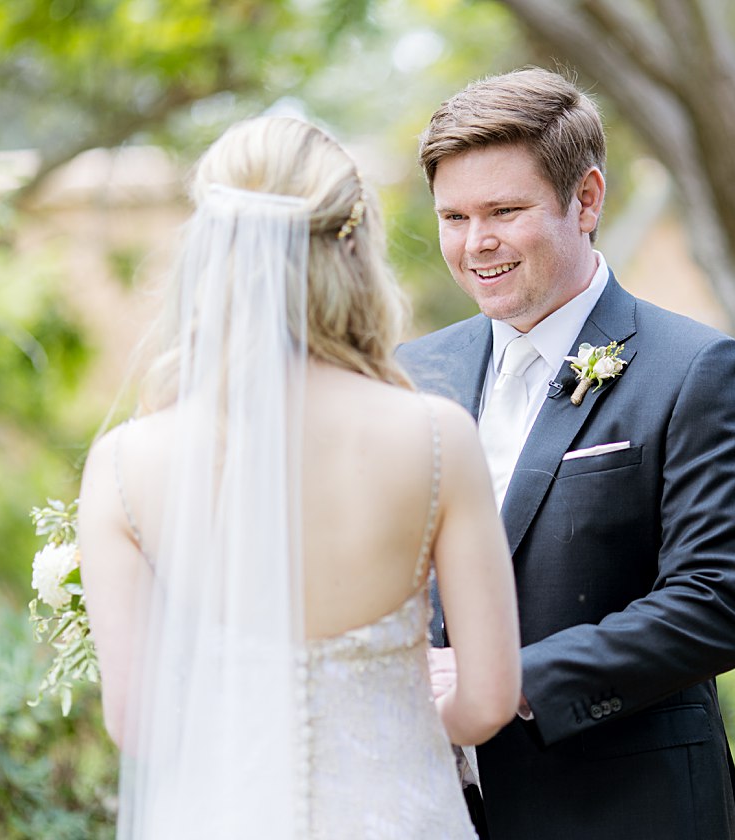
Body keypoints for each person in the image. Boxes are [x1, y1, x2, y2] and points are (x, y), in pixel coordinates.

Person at [77, 115, 520, 838]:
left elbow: (139, 724)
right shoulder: (436, 438)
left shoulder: (125, 464)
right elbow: (490, 699)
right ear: (353, 250)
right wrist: (398, 719)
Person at [396, 68, 735, 839]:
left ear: (588, 199)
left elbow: (717, 602)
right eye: (455, 217)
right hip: (429, 807)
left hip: (626, 807)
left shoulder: (698, 370)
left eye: (505, 211)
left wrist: (507, 683)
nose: (477, 245)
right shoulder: (409, 374)